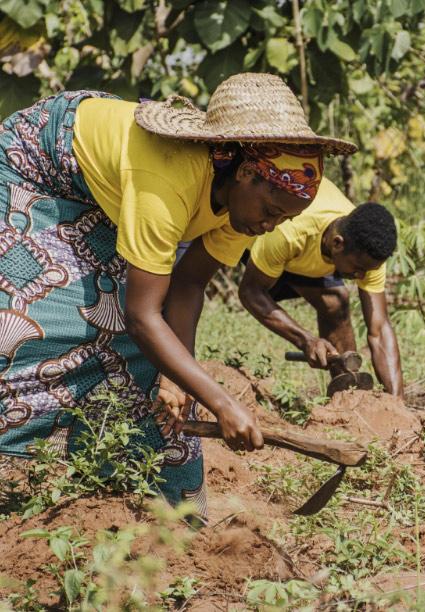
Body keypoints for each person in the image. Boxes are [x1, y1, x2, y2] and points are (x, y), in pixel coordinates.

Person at [0, 73, 356, 515]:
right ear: (246, 173)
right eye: (270, 212)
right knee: (33, 328)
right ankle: (12, 482)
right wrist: (222, 402)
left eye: (283, 220)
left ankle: (176, 516)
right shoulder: (168, 180)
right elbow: (144, 316)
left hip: (108, 192)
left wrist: (179, 380)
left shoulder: (241, 206)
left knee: (154, 364)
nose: (270, 227)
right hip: (36, 168)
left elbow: (188, 285)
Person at [237, 183, 403, 396]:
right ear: (337, 243)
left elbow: (379, 330)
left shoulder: (368, 249)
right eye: (358, 268)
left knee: (336, 303)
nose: (361, 276)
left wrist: (398, 402)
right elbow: (250, 292)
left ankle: (346, 395)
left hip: (304, 254)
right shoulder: (291, 232)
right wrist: (305, 340)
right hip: (260, 245)